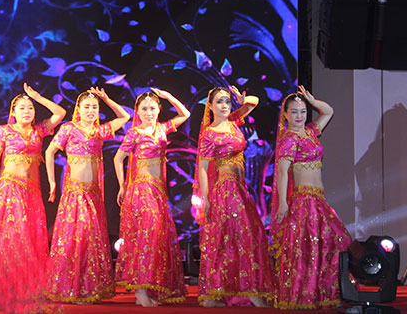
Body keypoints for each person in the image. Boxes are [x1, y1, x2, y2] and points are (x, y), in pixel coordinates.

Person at [0, 83, 66, 313]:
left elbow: (60, 113)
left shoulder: (39, 130)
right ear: (13, 112)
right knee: (11, 237)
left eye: (30, 108)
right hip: (10, 188)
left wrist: (37, 97)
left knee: (31, 238)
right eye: (22, 108)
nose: (27, 111)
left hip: (32, 192)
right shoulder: (5, 131)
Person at [45, 87, 130, 303]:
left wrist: (107, 99)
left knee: (91, 240)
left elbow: (124, 117)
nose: (91, 110)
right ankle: (71, 288)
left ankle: (88, 288)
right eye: (87, 107)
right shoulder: (68, 128)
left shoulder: (100, 131)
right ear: (78, 110)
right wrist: (52, 182)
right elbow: (49, 151)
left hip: (93, 194)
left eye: (94, 107)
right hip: (74, 192)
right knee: (75, 239)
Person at [271, 85, 351, 309]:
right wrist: (283, 203)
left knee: (329, 244)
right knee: (310, 248)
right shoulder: (288, 139)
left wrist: (313, 101)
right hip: (305, 200)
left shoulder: (310, 132)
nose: (299, 116)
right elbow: (282, 172)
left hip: (318, 198)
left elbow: (329, 111)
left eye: (303, 111)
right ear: (285, 114)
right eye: (294, 112)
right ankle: (305, 295)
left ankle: (323, 293)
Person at [193, 86, 274, 307]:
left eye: (227, 101)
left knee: (236, 236)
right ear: (210, 106)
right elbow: (203, 168)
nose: (224, 105)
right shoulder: (209, 133)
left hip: (240, 187)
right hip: (226, 188)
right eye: (219, 101)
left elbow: (254, 102)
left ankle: (225, 292)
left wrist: (241, 98)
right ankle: (248, 291)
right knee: (243, 235)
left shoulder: (233, 121)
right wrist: (206, 197)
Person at [113, 88, 190, 307]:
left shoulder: (163, 128)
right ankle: (140, 291)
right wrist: (122, 185)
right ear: (137, 112)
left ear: (158, 110)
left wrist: (169, 96)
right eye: (144, 109)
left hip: (157, 191)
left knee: (155, 238)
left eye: (153, 108)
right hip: (141, 189)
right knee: (145, 237)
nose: (149, 112)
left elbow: (185, 114)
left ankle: (146, 288)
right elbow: (118, 158)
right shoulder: (134, 133)